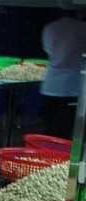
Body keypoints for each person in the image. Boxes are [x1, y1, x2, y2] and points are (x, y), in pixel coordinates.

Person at [40, 1, 86, 139]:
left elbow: (48, 50)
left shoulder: (50, 27)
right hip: (72, 86)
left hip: (51, 85)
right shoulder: (82, 28)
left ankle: (48, 151)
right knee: (65, 130)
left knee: (51, 127)